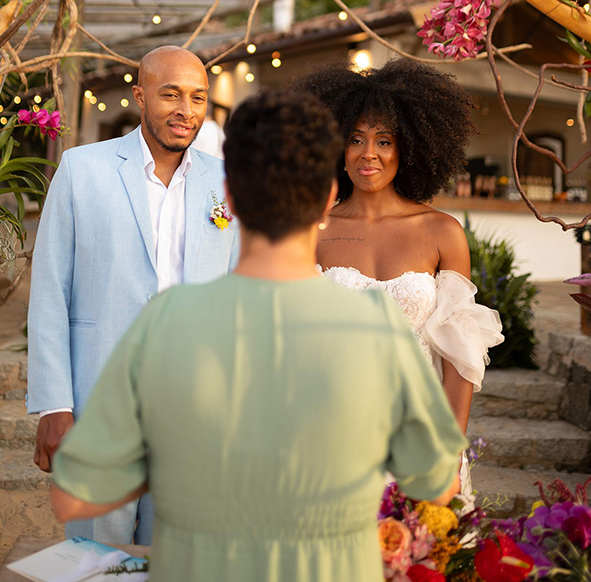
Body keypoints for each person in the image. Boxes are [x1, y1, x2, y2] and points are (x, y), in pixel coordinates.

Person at [49, 90, 467, 582]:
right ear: (329, 196)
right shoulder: (379, 327)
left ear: (228, 195)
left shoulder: (168, 320)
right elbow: (438, 484)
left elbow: (76, 492)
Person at [27, 46, 239, 545]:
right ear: (140, 96)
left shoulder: (227, 184)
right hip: (100, 401)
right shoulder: (81, 169)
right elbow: (50, 292)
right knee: (96, 555)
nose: (185, 110)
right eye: (171, 94)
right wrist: (54, 404)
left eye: (197, 97)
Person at [297, 59, 503, 485]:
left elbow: (460, 358)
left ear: (408, 148)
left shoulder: (440, 232)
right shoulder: (313, 229)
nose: (368, 153)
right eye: (355, 139)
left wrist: (447, 450)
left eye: (384, 141)